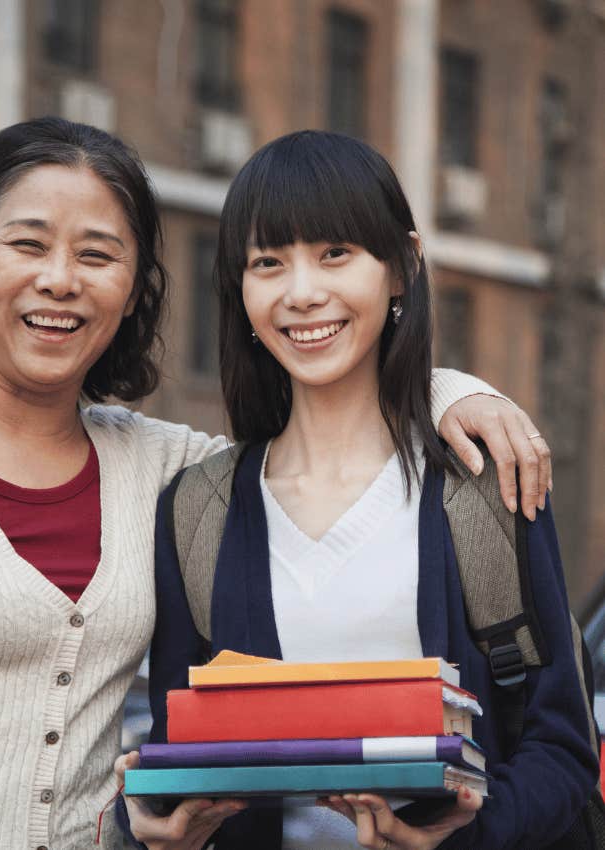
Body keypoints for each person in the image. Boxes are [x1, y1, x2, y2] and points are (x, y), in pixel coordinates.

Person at [0, 118, 553, 850]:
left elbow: (324, 434)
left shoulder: (165, 470)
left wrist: (448, 390)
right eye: (27, 245)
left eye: (98, 255)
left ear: (137, 285)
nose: (60, 280)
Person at [116, 131, 597, 849]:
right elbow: (187, 747)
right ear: (241, 292)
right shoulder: (197, 510)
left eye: (335, 253)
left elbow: (563, 747)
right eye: (268, 264)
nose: (303, 292)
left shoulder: (486, 481)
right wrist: (160, 824)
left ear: (401, 267)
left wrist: (467, 834)